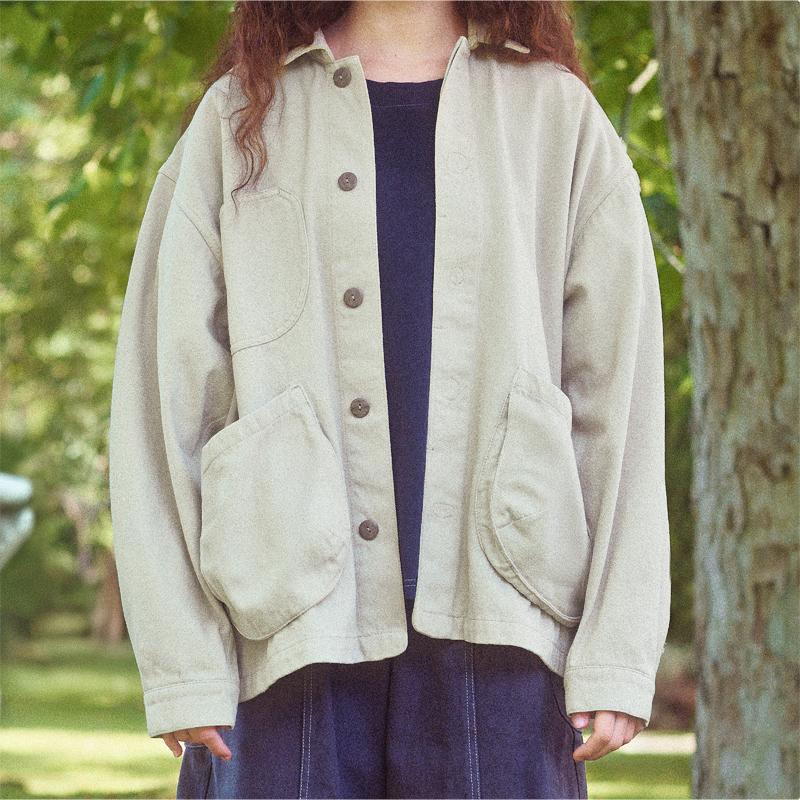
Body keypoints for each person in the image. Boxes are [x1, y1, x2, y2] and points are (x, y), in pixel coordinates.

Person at [109, 1, 671, 797]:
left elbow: (618, 396)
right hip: (283, 621)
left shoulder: (556, 114)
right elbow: (162, 394)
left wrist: (618, 647)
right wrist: (183, 660)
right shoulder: (238, 116)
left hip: (503, 619)